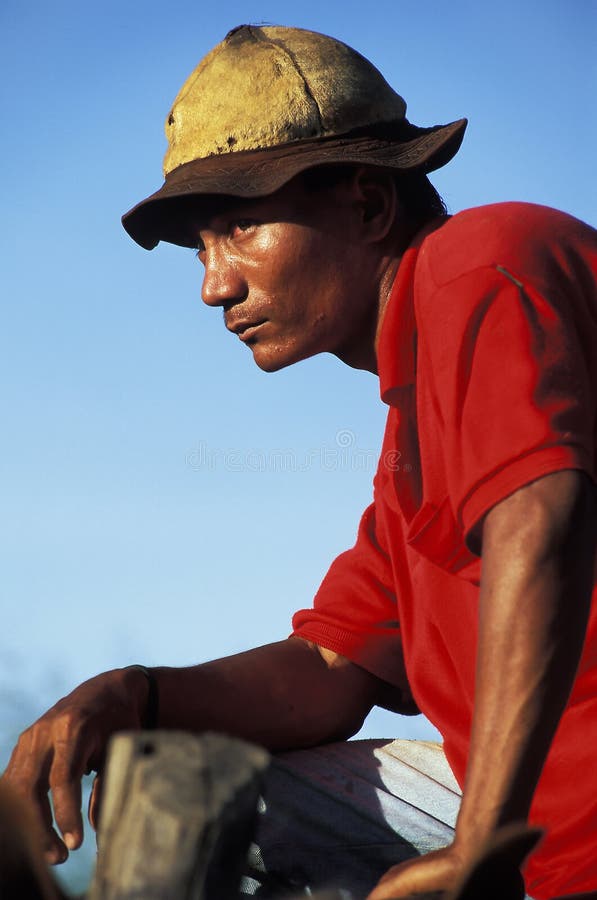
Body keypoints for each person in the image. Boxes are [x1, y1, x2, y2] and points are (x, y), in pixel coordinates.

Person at [3, 24, 597, 900]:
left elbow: (539, 521)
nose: (214, 284)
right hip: (531, 835)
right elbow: (326, 675)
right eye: (202, 246)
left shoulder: (482, 262)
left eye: (239, 225)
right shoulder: (413, 432)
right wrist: (127, 698)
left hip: (547, 837)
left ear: (366, 205)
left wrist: (481, 844)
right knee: (182, 784)